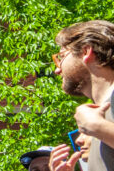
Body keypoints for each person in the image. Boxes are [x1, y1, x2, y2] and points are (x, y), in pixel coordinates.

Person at [50, 20, 114, 171]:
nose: (57, 70)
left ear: (86, 51)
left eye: (61, 57)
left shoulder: (97, 123)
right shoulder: (101, 114)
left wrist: (98, 127)